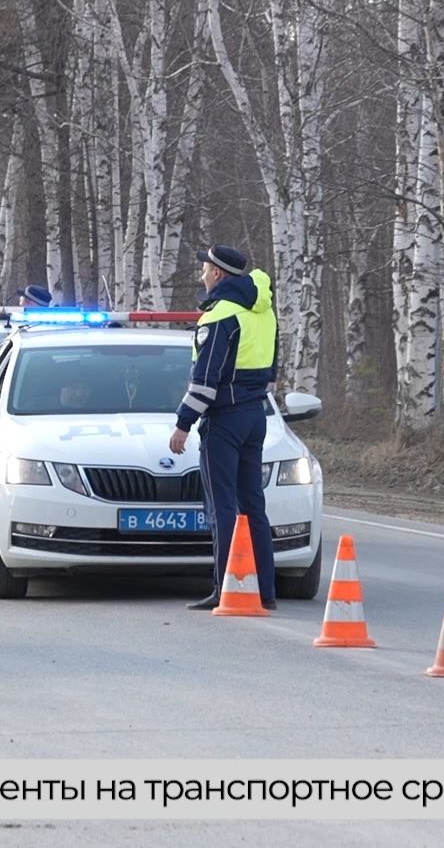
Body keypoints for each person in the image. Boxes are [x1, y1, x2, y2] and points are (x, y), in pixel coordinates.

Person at [167, 244, 278, 611]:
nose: (201, 274)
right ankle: (264, 591)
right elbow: (270, 371)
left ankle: (226, 587)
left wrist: (183, 423)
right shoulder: (263, 312)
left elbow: (204, 381)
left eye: (204, 269)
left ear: (217, 274)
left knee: (221, 508)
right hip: (255, 414)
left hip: (225, 420)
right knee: (253, 506)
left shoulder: (220, 316)